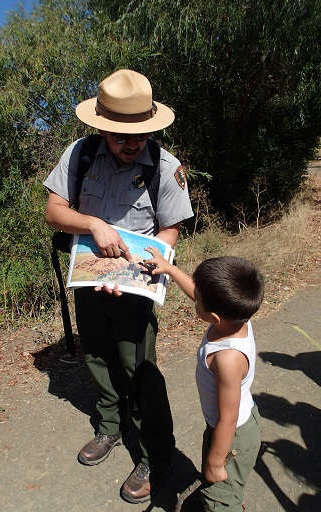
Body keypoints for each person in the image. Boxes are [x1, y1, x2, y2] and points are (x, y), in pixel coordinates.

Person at [43, 69, 193, 504]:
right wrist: (92, 223)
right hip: (88, 277)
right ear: (103, 128)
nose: (133, 144)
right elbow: (55, 212)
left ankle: (155, 455)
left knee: (139, 368)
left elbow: (170, 230)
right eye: (122, 137)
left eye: (141, 136)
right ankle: (110, 425)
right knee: (96, 353)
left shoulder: (165, 166)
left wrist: (141, 269)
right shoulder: (80, 154)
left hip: (137, 281)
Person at [143, 249, 264, 511]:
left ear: (214, 317)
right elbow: (199, 294)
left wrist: (216, 462)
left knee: (217, 498)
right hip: (226, 427)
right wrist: (170, 269)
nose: (193, 298)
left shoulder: (228, 358)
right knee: (222, 486)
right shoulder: (236, 317)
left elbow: (228, 418)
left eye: (198, 299)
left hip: (233, 434)